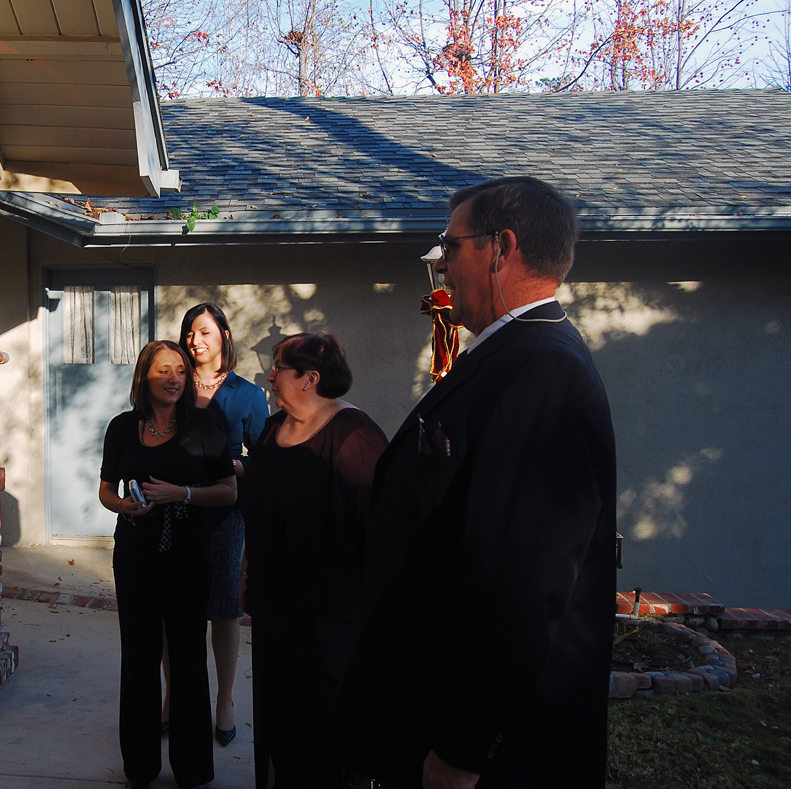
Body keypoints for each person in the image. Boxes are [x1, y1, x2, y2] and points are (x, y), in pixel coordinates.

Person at [335, 177, 617, 789]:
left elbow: (521, 583)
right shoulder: (504, 356)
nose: (440, 262)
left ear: (499, 249)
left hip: (486, 756)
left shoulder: (544, 371)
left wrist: (463, 748)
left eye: (450, 244)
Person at [238, 332, 388, 789]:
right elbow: (258, 511)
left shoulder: (356, 438)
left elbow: (377, 536)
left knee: (320, 741)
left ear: (310, 378)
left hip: (328, 624)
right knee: (280, 732)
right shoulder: (271, 430)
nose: (269, 374)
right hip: (273, 614)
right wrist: (246, 571)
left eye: (279, 367)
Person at [99, 340, 238, 789]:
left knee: (188, 657)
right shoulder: (122, 427)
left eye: (180, 370)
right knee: (138, 659)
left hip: (186, 554)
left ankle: (193, 769)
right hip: (135, 554)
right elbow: (105, 490)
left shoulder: (205, 424)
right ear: (144, 378)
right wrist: (123, 504)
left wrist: (183, 494)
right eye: (164, 371)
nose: (175, 378)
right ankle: (139, 767)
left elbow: (229, 491)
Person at [164, 302, 267, 746]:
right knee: (174, 609)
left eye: (204, 332)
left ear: (224, 335)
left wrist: (235, 466)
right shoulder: (172, 387)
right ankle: (174, 696)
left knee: (224, 609)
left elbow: (265, 459)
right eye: (190, 332)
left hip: (224, 513)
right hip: (173, 510)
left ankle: (225, 700)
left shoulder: (247, 394)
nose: (195, 341)